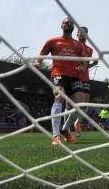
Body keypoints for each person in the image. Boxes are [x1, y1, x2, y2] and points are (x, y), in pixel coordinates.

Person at [34, 17, 84, 145]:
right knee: (59, 96)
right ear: (61, 26)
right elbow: (41, 54)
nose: (68, 23)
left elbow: (83, 61)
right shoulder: (53, 41)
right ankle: (56, 135)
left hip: (74, 77)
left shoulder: (78, 45)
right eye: (66, 22)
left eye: (71, 22)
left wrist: (82, 66)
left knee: (77, 107)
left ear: (73, 27)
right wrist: (37, 62)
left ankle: (65, 129)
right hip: (58, 74)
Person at [73, 26, 97, 137]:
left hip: (85, 78)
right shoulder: (72, 45)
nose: (82, 34)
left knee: (85, 105)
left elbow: (86, 66)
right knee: (72, 105)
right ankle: (65, 128)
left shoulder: (89, 50)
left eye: (84, 32)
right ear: (76, 34)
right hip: (73, 77)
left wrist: (93, 64)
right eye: (80, 32)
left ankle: (77, 122)